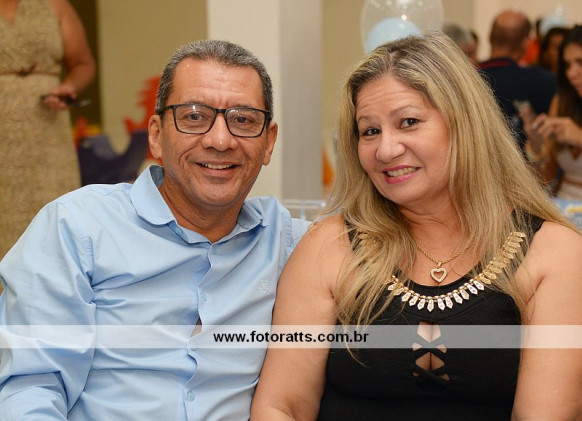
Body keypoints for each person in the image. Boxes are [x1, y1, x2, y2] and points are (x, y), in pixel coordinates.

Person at [250, 32, 582, 420]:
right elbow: (281, 405)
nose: (386, 150)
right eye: (370, 131)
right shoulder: (329, 245)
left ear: (465, 124)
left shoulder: (553, 253)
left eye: (408, 122)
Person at [0, 39, 310, 420]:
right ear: (156, 135)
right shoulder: (76, 229)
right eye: (194, 116)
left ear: (268, 142)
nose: (220, 140)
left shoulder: (289, 244)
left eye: (243, 120)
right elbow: (30, 390)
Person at [0, 0, 96, 259]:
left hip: (48, 134)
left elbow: (83, 63)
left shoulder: (54, 4)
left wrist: (68, 87)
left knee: (55, 214)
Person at [479, 9, 556, 152]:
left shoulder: (466, 78)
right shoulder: (545, 82)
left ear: (490, 37)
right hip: (525, 164)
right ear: (525, 44)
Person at [524, 25, 582, 200]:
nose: (571, 73)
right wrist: (536, 147)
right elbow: (545, 178)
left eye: (580, 62)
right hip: (563, 206)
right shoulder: (561, 102)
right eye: (567, 65)